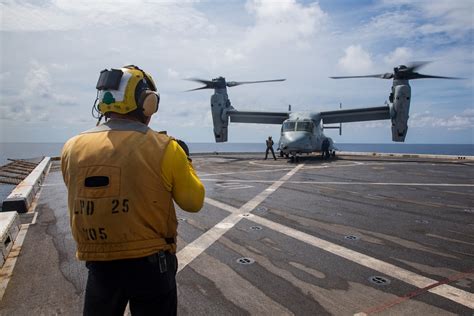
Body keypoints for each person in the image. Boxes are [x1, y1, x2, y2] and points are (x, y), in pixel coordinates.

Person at [61, 65, 205, 316]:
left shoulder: (72, 148)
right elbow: (193, 202)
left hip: (100, 266)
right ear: (147, 103)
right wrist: (186, 160)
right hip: (150, 267)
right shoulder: (165, 148)